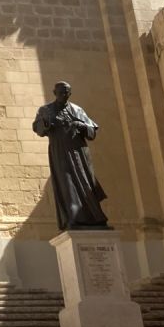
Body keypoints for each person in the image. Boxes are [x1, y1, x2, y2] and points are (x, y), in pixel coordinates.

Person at [32, 80, 109, 229]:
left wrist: (81, 125)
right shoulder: (45, 110)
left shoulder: (77, 110)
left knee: (86, 184)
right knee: (66, 184)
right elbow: (38, 129)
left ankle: (95, 217)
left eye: (66, 92)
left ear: (70, 93)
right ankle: (73, 217)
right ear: (55, 93)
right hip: (60, 152)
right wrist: (47, 123)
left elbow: (92, 131)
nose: (63, 95)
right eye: (60, 92)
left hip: (79, 153)